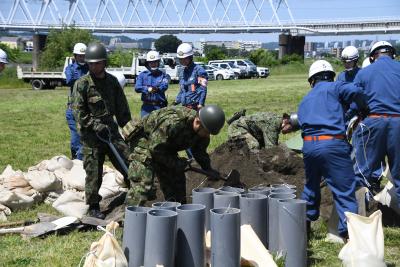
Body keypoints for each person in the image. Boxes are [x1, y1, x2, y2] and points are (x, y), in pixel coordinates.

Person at [281, 60, 368, 239]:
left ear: (312, 80)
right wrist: (362, 107)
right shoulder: (335, 87)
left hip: (310, 147)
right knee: (344, 190)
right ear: (330, 76)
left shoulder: (305, 99)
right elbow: (356, 91)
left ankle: (302, 231)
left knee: (311, 187)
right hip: (333, 144)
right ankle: (350, 238)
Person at [71, 43, 132, 219]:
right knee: (93, 172)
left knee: (128, 161)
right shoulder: (82, 84)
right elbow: (79, 113)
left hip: (111, 132)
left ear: (104, 63)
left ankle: (136, 193)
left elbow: (123, 112)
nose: (93, 67)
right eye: (90, 64)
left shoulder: (112, 82)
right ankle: (93, 206)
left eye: (97, 63)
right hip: (91, 135)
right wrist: (95, 126)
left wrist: (130, 131)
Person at [122, 105, 225, 206]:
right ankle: (126, 219)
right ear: (198, 122)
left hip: (165, 146)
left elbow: (199, 151)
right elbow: (156, 149)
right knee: (143, 183)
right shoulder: (173, 123)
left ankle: (176, 213)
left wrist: (208, 169)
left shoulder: (203, 129)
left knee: (177, 182)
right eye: (207, 132)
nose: (208, 136)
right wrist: (177, 163)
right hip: (145, 139)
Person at [352, 41, 400, 197]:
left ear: (372, 57)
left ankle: (361, 215)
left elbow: (354, 101)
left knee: (363, 172)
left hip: (373, 122)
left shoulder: (364, 73)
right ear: (393, 55)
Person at [65, 43, 89, 160]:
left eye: (84, 55)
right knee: (76, 138)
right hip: (73, 109)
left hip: (87, 108)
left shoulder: (90, 67)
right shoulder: (70, 68)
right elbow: (69, 81)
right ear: (75, 56)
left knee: (85, 137)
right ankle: (76, 160)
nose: (82, 58)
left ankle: (79, 161)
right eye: (80, 56)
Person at [174, 43, 208, 111]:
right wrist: (176, 102)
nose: (182, 61)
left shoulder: (199, 70)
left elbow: (203, 89)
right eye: (180, 59)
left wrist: (201, 104)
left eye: (185, 58)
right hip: (184, 107)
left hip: (195, 106)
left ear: (190, 57)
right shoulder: (181, 72)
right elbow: (182, 90)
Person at [135, 51, 169, 117]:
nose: (153, 64)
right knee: (146, 126)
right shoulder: (142, 75)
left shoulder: (163, 75)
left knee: (160, 127)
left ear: (158, 62)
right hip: (146, 108)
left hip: (159, 106)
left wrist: (157, 89)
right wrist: (148, 89)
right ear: (148, 63)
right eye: (151, 62)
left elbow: (164, 86)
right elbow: (137, 88)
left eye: (155, 62)